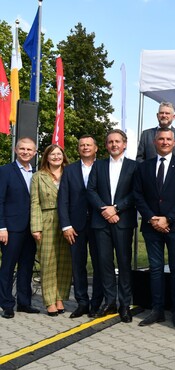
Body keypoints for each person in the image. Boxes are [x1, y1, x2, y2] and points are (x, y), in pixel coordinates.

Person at [134, 127, 175, 328]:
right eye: (161, 139)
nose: (165, 142)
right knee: (156, 269)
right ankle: (157, 310)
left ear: (174, 142)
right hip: (151, 227)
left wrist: (168, 218)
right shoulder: (143, 167)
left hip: (174, 227)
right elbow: (138, 195)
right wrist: (152, 218)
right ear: (155, 142)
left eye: (169, 139)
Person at [87, 129, 138, 323]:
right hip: (101, 222)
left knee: (124, 263)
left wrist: (116, 208)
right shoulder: (98, 166)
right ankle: (110, 302)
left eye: (117, 141)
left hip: (123, 221)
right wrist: (104, 209)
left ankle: (125, 304)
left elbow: (135, 193)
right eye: (110, 142)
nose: (114, 145)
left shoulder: (134, 167)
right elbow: (90, 190)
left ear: (124, 144)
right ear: (106, 145)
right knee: (104, 263)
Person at [58, 135, 104, 318]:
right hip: (75, 226)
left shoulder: (103, 167)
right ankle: (82, 302)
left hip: (98, 223)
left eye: (88, 145)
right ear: (78, 149)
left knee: (100, 264)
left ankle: (96, 303)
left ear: (96, 148)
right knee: (78, 265)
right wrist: (66, 225)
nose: (85, 147)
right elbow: (63, 199)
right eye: (82, 145)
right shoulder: (69, 170)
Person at [0, 138, 40, 319]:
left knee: (26, 266)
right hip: (11, 229)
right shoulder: (5, 171)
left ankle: (24, 303)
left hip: (31, 229)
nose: (25, 152)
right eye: (22, 149)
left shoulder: (37, 174)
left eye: (29, 149)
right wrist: (1, 227)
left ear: (35, 152)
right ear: (16, 150)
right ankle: (7, 303)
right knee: (8, 267)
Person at [30, 145, 71, 316]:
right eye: (52, 154)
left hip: (67, 222)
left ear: (63, 156)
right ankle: (49, 300)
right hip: (47, 220)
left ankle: (60, 297)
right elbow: (35, 203)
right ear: (46, 157)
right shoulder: (38, 177)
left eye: (59, 154)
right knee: (48, 262)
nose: (56, 157)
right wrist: (36, 227)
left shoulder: (70, 173)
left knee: (65, 262)